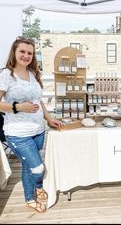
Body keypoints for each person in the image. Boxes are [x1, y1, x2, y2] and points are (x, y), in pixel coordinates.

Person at [0, 36, 62, 213]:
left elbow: (39, 101)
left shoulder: (33, 74)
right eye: (22, 51)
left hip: (38, 130)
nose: (26, 55)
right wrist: (18, 107)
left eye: (29, 53)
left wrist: (49, 119)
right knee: (38, 167)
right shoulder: (6, 75)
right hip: (17, 133)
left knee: (28, 167)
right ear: (14, 52)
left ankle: (31, 195)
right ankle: (37, 188)